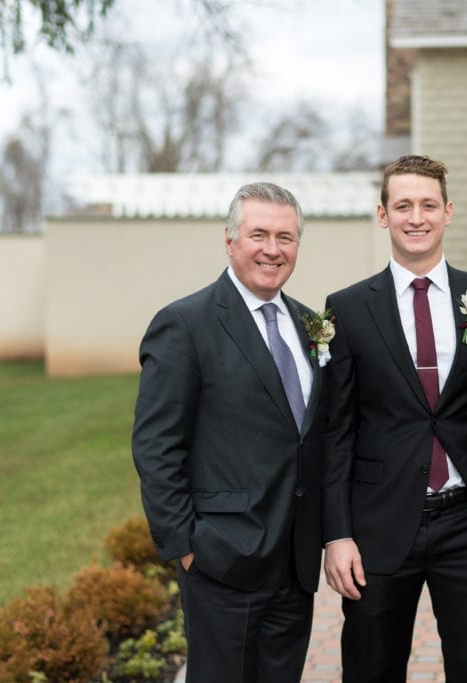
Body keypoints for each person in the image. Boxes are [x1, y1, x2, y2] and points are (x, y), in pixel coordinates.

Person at [322, 154, 467, 682]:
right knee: (371, 668)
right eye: (402, 205)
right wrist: (336, 534)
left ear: (448, 212)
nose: (416, 217)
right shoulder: (348, 308)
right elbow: (337, 429)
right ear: (382, 215)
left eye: (428, 205)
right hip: (378, 524)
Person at [131, 182, 327, 683]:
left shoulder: (309, 324)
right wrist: (187, 546)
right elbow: (156, 446)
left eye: (285, 237)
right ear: (230, 240)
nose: (272, 248)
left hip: (294, 565)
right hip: (221, 560)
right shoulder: (185, 323)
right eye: (258, 233)